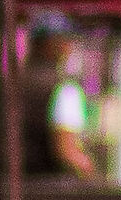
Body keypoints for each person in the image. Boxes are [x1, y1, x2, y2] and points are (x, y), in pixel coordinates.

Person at [19, 29, 99, 179]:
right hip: (50, 187)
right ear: (54, 44)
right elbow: (66, 150)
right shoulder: (65, 89)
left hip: (10, 186)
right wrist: (91, 174)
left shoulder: (10, 83)